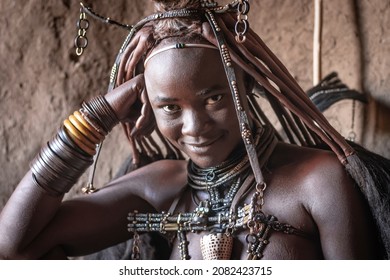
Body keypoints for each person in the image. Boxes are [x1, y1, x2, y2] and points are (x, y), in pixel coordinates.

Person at [0, 0, 388, 260]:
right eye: (169, 107)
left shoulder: (319, 182)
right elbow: (11, 248)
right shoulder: (156, 189)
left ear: (246, 83)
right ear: (146, 107)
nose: (195, 127)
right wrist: (98, 116)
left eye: (214, 98)